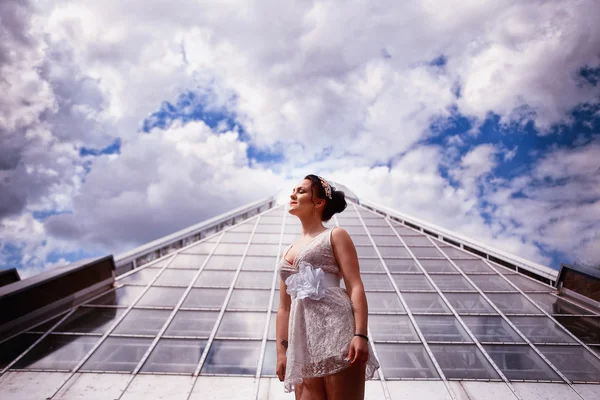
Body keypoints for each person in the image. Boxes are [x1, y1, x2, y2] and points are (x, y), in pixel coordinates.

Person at [276, 174, 380, 400]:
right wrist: (281, 353)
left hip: (337, 330)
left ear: (319, 202)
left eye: (301, 191)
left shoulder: (335, 235)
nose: (293, 194)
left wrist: (360, 334)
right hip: (302, 342)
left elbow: (355, 285)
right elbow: (283, 308)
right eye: (294, 190)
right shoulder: (287, 251)